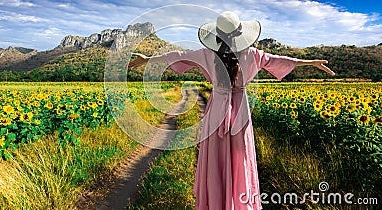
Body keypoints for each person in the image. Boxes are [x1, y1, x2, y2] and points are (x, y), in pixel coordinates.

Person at [128, 11, 335, 210]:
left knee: (215, 157)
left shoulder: (206, 54)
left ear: (217, 35)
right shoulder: (253, 54)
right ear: (240, 33)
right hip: (241, 111)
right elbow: (280, 60)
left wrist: (147, 59)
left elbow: (176, 56)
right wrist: (310, 62)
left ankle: (216, 201)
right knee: (241, 156)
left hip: (216, 108)